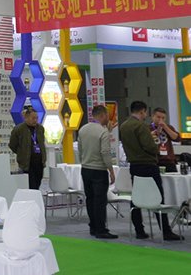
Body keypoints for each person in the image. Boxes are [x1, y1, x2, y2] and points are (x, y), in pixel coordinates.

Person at [120, 100, 183, 241]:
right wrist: (155, 144)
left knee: (136, 198)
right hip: (148, 165)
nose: (145, 116)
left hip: (134, 165)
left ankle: (139, 230)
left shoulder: (124, 126)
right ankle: (166, 231)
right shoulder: (141, 127)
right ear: (142, 111)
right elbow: (151, 147)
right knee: (158, 197)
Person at [78, 105, 117, 239]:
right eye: (107, 115)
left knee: (90, 199)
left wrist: (84, 162)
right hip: (99, 170)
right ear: (102, 115)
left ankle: (93, 227)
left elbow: (80, 149)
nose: (108, 118)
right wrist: (111, 170)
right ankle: (101, 229)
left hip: (85, 169)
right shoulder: (103, 132)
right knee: (100, 201)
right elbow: (105, 152)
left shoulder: (83, 129)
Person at [8, 106, 46, 190]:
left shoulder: (40, 129)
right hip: (27, 163)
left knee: (37, 184)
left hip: (39, 163)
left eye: (36, 118)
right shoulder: (19, 129)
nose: (35, 120)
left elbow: (42, 143)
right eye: (33, 118)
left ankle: (36, 197)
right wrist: (21, 153)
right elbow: (12, 145)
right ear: (26, 118)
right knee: (30, 185)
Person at [151, 107, 180, 173]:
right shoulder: (148, 128)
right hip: (155, 161)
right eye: (158, 117)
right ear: (153, 116)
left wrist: (165, 127)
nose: (161, 120)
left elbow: (177, 138)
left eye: (163, 118)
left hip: (169, 161)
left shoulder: (169, 127)